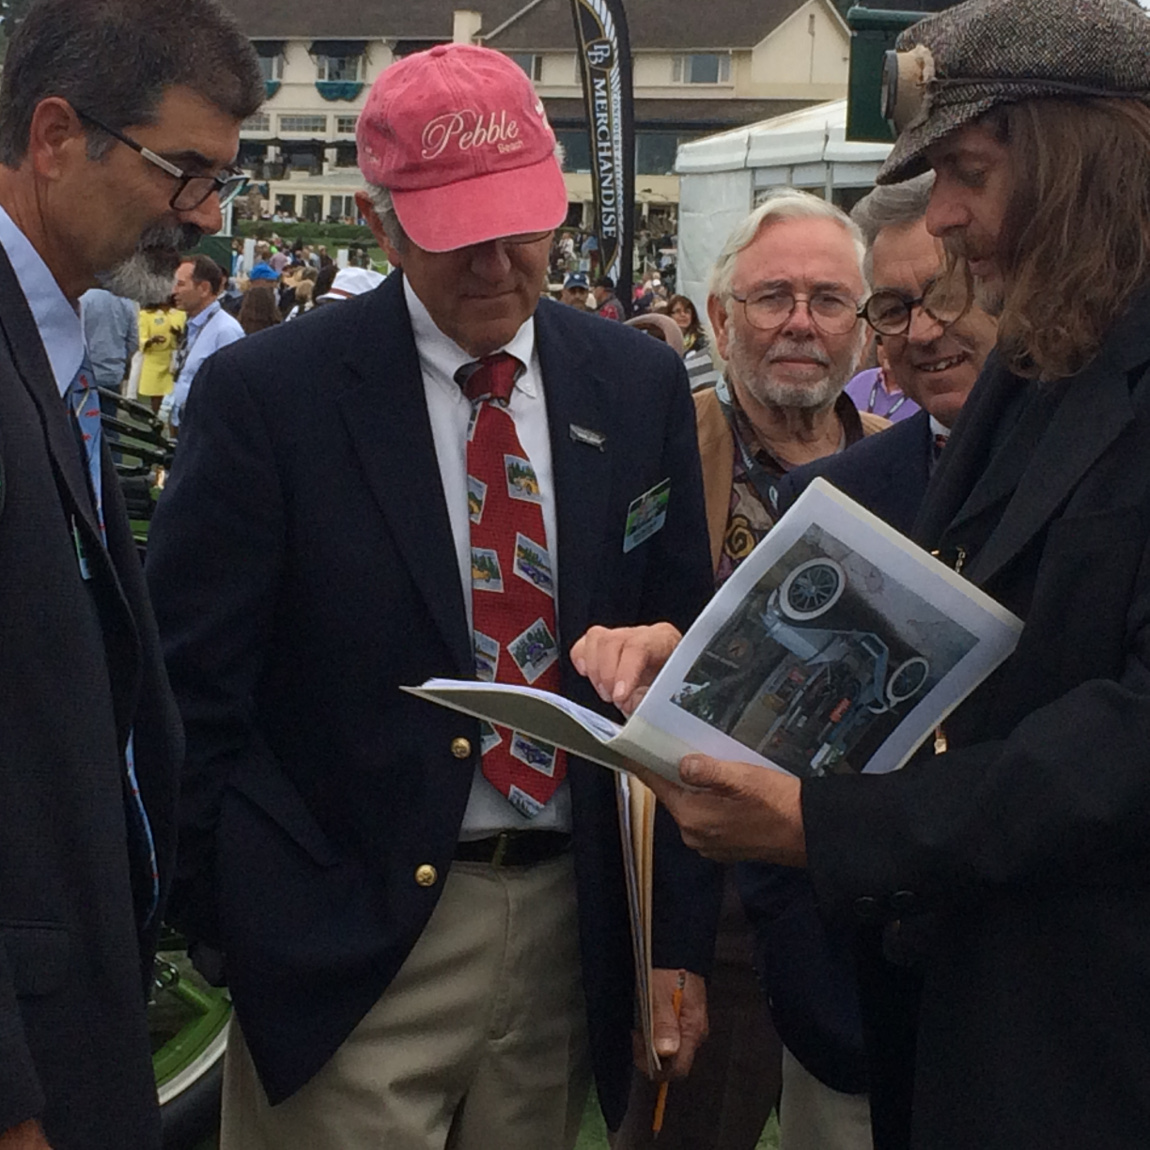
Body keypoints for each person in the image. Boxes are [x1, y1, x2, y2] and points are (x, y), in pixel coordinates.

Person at [575, 0, 1150, 1146]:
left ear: (1086, 159)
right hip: (976, 1028)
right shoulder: (1045, 362)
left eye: (969, 172)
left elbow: (1124, 732)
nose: (940, 218)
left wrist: (829, 826)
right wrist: (703, 673)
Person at [145, 42, 720, 1150]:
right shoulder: (273, 398)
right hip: (347, 937)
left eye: (524, 223)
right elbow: (190, 691)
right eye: (459, 234)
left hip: (569, 925)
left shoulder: (635, 383)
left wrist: (670, 938)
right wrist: (242, 923)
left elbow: (681, 675)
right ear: (382, 224)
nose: (500, 263)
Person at [0, 0, 260, 1146]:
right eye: (185, 172)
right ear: (55, 136)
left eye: (220, 183)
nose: (201, 220)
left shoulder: (56, 339)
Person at [614, 190, 885, 1150]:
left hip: (856, 890)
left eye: (829, 300)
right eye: (773, 297)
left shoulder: (907, 469)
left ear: (866, 326)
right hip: (706, 887)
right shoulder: (663, 447)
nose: (801, 323)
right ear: (720, 317)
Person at [777, 173, 998, 535]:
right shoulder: (831, 502)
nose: (920, 332)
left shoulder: (1095, 454)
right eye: (892, 308)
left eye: (944, 294)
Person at [168, 252, 243, 428]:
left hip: (206, 430)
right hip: (185, 423)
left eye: (180, 284)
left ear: (204, 289)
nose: (174, 291)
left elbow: (232, 392)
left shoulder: (226, 331)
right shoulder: (192, 325)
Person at [138, 295, 186, 413]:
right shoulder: (145, 315)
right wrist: (151, 341)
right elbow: (141, 338)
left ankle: (170, 421)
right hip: (153, 359)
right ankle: (155, 418)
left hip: (173, 360)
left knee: (172, 394)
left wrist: (179, 335)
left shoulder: (181, 314)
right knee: (155, 394)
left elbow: (186, 336)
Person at [668, 293, 719, 391]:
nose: (683, 315)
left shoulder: (702, 340)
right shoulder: (663, 340)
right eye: (678, 311)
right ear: (670, 315)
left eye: (687, 311)